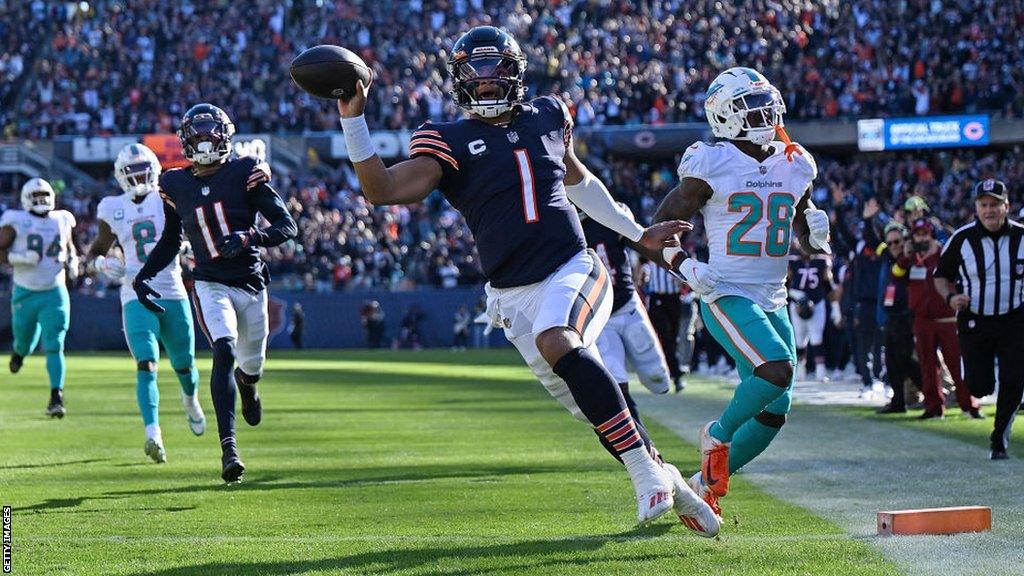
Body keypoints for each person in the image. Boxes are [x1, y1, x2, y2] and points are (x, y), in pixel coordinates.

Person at [335, 26, 718, 534]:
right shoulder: (445, 138)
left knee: (560, 338)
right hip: (513, 299)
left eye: (498, 72)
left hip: (573, 267)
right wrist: (353, 118)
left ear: (516, 73)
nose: (489, 84)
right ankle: (672, 478)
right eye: (478, 74)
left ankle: (645, 473)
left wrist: (637, 233)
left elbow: (579, 181)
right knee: (598, 408)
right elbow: (381, 190)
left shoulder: (547, 114)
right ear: (460, 81)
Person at [654, 67, 829, 517]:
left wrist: (813, 235)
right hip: (727, 291)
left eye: (766, 103)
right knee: (776, 369)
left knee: (776, 409)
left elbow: (804, 238)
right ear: (725, 116)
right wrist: (685, 264)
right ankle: (718, 433)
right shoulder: (710, 163)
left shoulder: (795, 161)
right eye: (751, 106)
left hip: (774, 296)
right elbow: (657, 232)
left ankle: (701, 487)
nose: (765, 113)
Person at [132, 103, 298, 482]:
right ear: (187, 141)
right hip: (209, 281)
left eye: (212, 133)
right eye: (198, 134)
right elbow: (171, 239)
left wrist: (251, 236)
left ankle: (249, 385)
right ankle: (229, 449)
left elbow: (286, 225)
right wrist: (144, 274)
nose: (205, 141)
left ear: (225, 136)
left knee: (250, 365)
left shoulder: (244, 171)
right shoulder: (174, 183)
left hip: (251, 282)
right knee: (223, 348)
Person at [87, 143, 206, 462]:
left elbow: (196, 231)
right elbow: (96, 252)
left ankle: (190, 399)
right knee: (146, 363)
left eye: (143, 171)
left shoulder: (168, 195)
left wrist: (188, 248)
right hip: (134, 294)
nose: (139, 177)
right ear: (120, 176)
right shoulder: (112, 207)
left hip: (172, 289)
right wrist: (100, 265)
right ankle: (153, 433)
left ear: (154, 171)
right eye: (132, 172)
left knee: (185, 364)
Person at [935, 180, 1024, 460]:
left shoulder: (1022, 237)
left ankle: (999, 440)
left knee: (1014, 380)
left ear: (1006, 206)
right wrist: (951, 299)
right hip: (975, 320)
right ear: (976, 207)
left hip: (1015, 319)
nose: (989, 210)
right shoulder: (961, 239)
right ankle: (979, 387)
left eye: (995, 204)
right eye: (984, 205)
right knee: (979, 386)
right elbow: (940, 276)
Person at [0, 178, 77, 417]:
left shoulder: (62, 219)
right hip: (25, 291)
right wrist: (20, 258)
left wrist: (74, 262)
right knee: (24, 340)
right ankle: (20, 353)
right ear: (26, 199)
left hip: (55, 291)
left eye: (45, 195)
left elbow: (70, 247)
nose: (42, 200)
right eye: (36, 196)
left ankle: (57, 396)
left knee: (54, 344)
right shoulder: (16, 221)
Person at [894, 218, 981, 419]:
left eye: (925, 233)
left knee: (956, 364)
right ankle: (934, 407)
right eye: (917, 234)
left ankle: (969, 405)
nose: (921, 237)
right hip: (922, 320)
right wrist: (904, 257)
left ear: (931, 234)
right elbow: (896, 275)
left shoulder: (944, 254)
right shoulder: (911, 258)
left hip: (947, 319)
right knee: (927, 366)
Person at [582, 204, 672, 396]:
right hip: (598, 315)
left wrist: (680, 266)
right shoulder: (563, 225)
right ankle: (631, 425)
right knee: (615, 382)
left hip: (627, 305)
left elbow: (641, 242)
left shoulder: (609, 212)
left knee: (658, 379)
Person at [875, 222, 923, 415]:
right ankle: (898, 401)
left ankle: (930, 394)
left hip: (907, 317)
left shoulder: (912, 260)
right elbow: (875, 243)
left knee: (905, 361)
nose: (894, 246)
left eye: (898, 241)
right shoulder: (887, 258)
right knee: (893, 361)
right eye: (890, 243)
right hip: (891, 317)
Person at [786, 252, 839, 381]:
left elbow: (829, 286)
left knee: (817, 337)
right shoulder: (792, 261)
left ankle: (821, 372)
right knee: (799, 339)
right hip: (797, 305)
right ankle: (800, 372)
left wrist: (836, 308)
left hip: (817, 304)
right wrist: (794, 293)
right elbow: (783, 285)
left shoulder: (822, 261)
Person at [642, 257, 685, 391]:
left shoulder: (678, 251)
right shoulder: (649, 248)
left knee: (673, 336)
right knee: (665, 336)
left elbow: (685, 279)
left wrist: (681, 279)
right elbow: (641, 270)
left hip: (673, 299)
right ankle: (675, 373)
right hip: (657, 298)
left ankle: (671, 370)